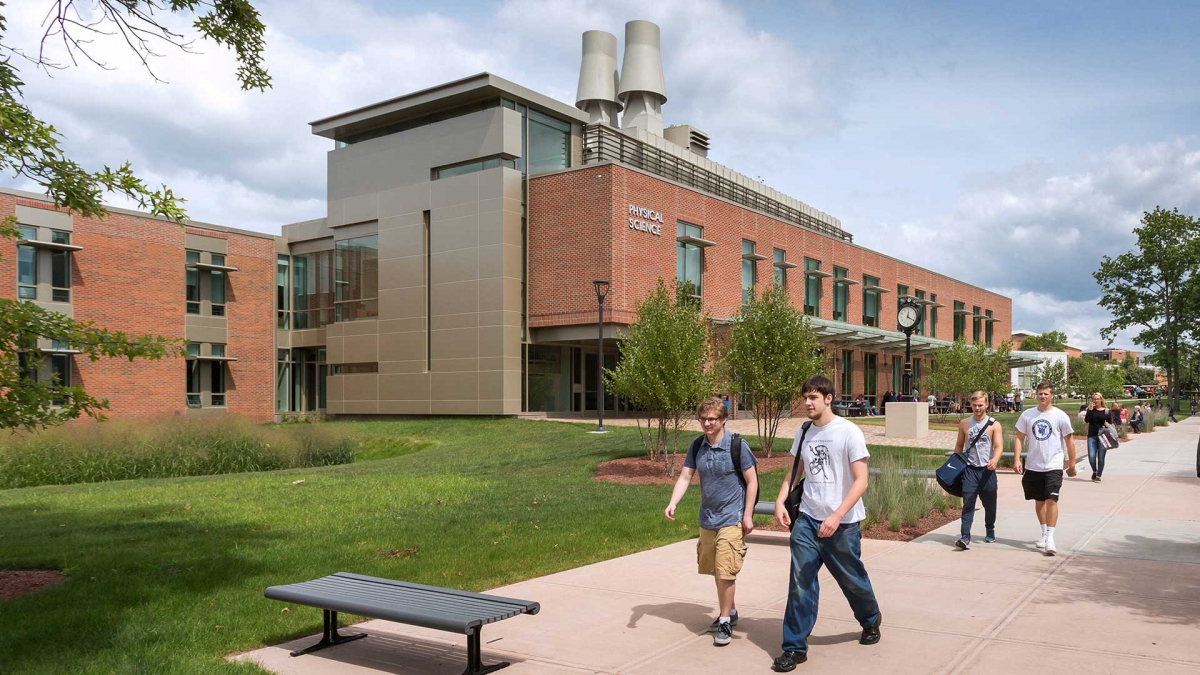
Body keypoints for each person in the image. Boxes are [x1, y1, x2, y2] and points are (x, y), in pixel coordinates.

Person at [771, 376, 881, 671]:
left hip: (842, 524)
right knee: (800, 582)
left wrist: (836, 515)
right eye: (805, 397)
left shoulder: (848, 432)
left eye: (814, 397)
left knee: (851, 579)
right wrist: (781, 501)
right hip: (807, 519)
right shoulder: (804, 431)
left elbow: (861, 481)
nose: (807, 403)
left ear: (829, 398)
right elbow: (794, 472)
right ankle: (794, 647)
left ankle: (870, 619)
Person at [665, 397, 758, 647]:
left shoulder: (737, 446)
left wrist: (747, 514)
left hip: (731, 517)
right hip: (708, 518)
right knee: (717, 569)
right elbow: (685, 476)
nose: (707, 423)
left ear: (723, 419)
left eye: (712, 419)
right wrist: (673, 502)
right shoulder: (697, 446)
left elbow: (752, 481)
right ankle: (733, 610)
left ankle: (725, 620)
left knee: (726, 570)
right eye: (703, 418)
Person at [1013, 382, 1077, 556]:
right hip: (1033, 465)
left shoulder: (1060, 416)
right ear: (1036, 395)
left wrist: (1071, 464)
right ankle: (1043, 532)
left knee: (1051, 500)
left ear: (1052, 395)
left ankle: (1050, 537)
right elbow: (1019, 438)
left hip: (1053, 465)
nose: (1043, 397)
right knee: (1039, 501)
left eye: (1046, 394)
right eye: (1040, 394)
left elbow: (1069, 441)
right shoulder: (1028, 415)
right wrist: (1017, 459)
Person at [953, 391, 1004, 549]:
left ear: (987, 404)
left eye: (980, 405)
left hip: (987, 471)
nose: (977, 408)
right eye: (974, 405)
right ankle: (965, 537)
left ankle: (990, 528)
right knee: (968, 504)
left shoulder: (994, 424)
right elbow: (959, 445)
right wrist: (955, 464)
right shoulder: (964, 423)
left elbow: (998, 446)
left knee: (990, 505)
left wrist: (995, 460)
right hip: (970, 470)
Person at [1084, 393, 1115, 482]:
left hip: (1103, 437)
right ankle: (1094, 470)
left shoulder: (1106, 411)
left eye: (1097, 399)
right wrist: (1090, 410)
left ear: (1101, 399)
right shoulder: (1091, 410)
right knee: (1091, 456)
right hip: (1092, 436)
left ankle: (1099, 475)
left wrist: (1107, 424)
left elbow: (1111, 424)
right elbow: (1087, 420)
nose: (1096, 401)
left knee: (1101, 457)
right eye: (1094, 399)